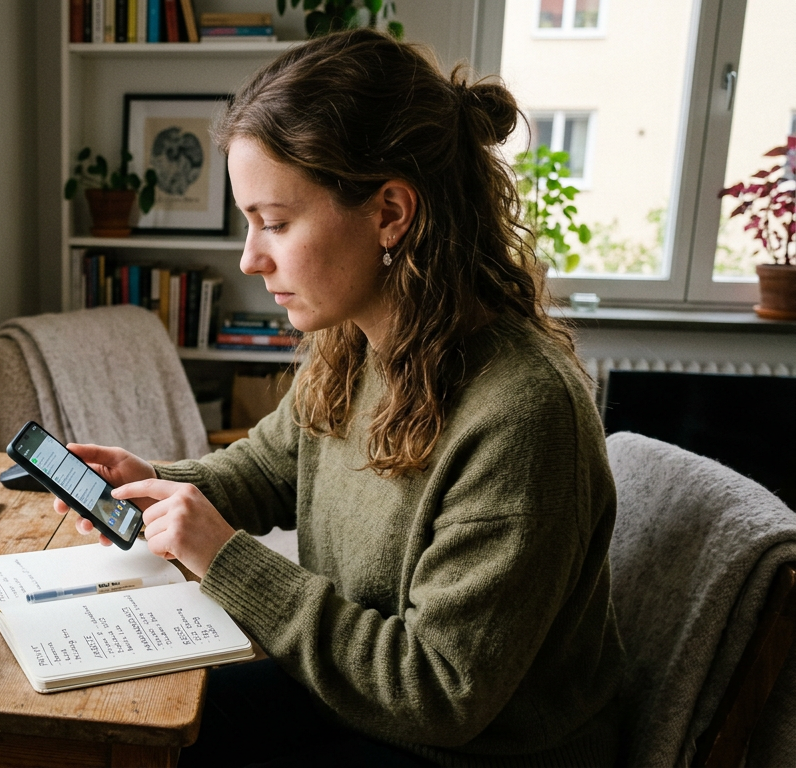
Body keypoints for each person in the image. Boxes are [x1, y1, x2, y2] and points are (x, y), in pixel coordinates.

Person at [53, 28, 625, 768]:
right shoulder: (355, 340)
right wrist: (150, 484)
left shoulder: (522, 416)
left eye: (276, 223)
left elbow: (439, 692)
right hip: (360, 699)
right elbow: (266, 470)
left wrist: (224, 558)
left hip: (473, 750)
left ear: (390, 212)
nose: (252, 259)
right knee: (119, 721)